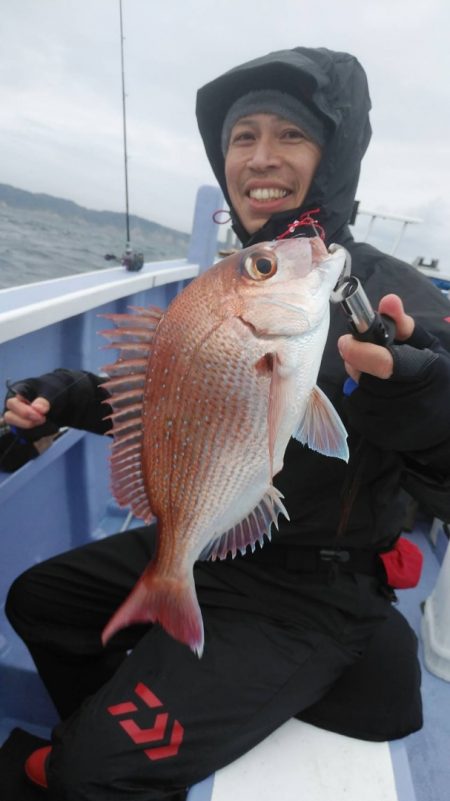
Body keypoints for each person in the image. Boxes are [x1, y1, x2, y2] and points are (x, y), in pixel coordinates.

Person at [3, 46, 450, 801]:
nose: (261, 157)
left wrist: (425, 400)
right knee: (37, 599)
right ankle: (125, 712)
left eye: (290, 136)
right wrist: (68, 394)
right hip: (214, 529)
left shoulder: (396, 296)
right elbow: (182, 407)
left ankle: (105, 749)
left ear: (333, 155)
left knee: (90, 775)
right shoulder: (229, 280)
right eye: (243, 137)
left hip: (314, 589)